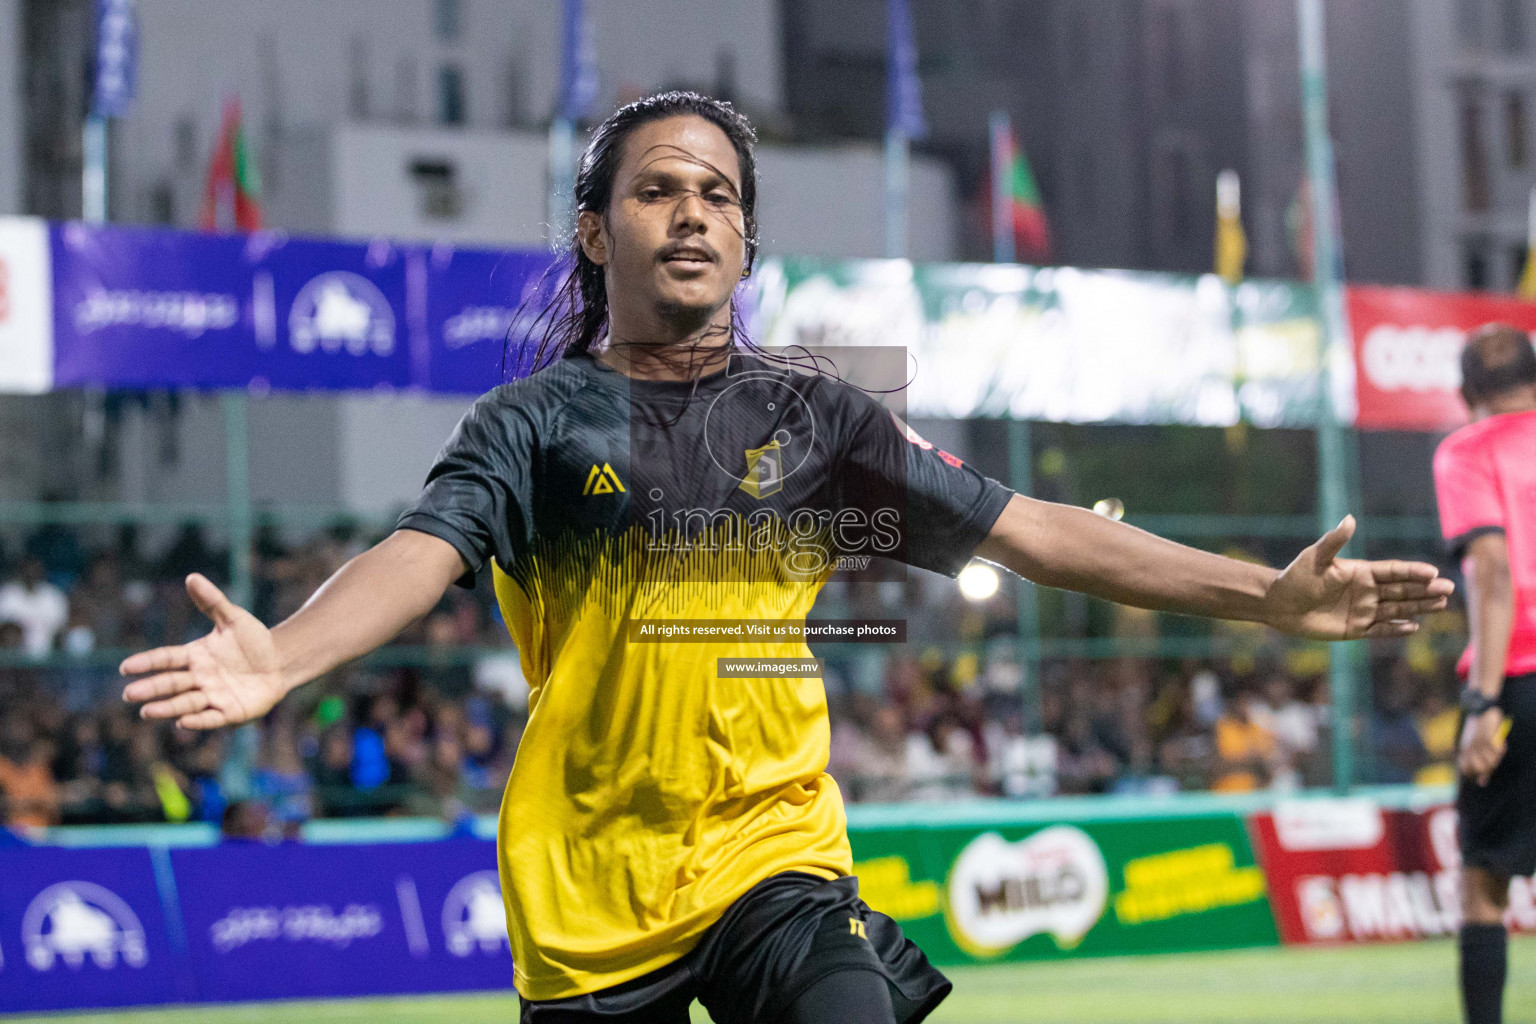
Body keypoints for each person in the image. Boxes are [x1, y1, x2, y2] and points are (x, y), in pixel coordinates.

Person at [120, 92, 1451, 1024]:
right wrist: (285, 653)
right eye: (657, 190)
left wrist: (1264, 598)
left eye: (719, 195)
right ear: (598, 233)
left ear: (747, 239)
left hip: (776, 850)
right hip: (589, 886)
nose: (692, 214)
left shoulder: (819, 416)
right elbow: (425, 551)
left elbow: (1035, 532)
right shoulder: (531, 423)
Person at [1432, 323, 1536, 1024]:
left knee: (1484, 887)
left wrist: (1481, 703)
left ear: (1466, 393)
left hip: (1519, 681)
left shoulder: (1467, 451)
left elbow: (1494, 573)